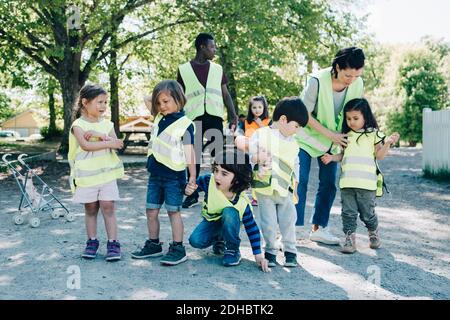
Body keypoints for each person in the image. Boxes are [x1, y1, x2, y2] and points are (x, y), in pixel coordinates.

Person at [295, 47, 365, 245]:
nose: (351, 79)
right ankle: (290, 229)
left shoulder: (358, 83)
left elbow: (357, 112)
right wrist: (330, 135)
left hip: (334, 142)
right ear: (337, 67)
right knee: (300, 180)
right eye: (348, 74)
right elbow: (304, 115)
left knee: (328, 184)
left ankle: (319, 228)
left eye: (356, 75)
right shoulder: (316, 80)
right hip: (306, 138)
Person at [321, 98, 399, 253]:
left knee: (367, 214)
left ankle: (373, 233)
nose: (351, 122)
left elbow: (380, 155)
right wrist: (331, 158)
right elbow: (343, 156)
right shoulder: (346, 136)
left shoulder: (373, 134)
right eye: (349, 118)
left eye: (355, 118)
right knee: (348, 213)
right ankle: (350, 241)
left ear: (365, 117)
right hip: (347, 183)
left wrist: (388, 143)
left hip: (366, 185)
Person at [131, 80, 196, 265]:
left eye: (166, 101)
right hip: (155, 176)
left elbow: (190, 152)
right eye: (158, 103)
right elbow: (147, 99)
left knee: (173, 212)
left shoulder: (186, 124)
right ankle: (154, 244)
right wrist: (159, 95)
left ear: (179, 99)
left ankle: (178, 248)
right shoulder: (159, 117)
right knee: (151, 211)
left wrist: (192, 177)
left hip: (174, 178)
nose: (161, 106)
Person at [177, 32, 238, 209]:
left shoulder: (218, 69)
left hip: (214, 116)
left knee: (217, 156)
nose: (215, 50)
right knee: (192, 157)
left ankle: (218, 192)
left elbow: (225, 94)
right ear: (202, 47)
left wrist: (233, 115)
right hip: (192, 117)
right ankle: (192, 193)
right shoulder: (184, 69)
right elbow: (179, 96)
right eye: (212, 47)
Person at [188, 149, 270, 272]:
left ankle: (232, 249)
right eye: (216, 170)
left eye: (224, 174)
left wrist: (258, 256)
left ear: (237, 179)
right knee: (195, 241)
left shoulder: (242, 203)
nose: (217, 176)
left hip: (231, 221)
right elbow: (190, 186)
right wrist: (187, 189)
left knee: (229, 212)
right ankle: (220, 239)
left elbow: (252, 228)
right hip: (212, 222)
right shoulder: (208, 181)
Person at [250, 97, 309, 267]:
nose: (297, 131)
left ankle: (290, 251)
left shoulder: (294, 143)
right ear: (283, 119)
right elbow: (251, 157)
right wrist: (257, 158)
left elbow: (295, 164)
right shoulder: (261, 134)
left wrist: (296, 184)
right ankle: (270, 251)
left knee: (288, 220)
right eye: (296, 126)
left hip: (285, 189)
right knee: (267, 222)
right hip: (265, 187)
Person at [68, 84, 124, 261]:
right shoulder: (78, 125)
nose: (103, 106)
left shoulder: (107, 124)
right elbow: (86, 146)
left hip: (107, 175)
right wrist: (107, 141)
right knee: (91, 209)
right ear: (85, 102)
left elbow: (118, 144)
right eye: (99, 102)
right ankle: (92, 241)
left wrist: (100, 136)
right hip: (87, 177)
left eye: (105, 102)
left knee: (108, 207)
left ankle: (113, 243)